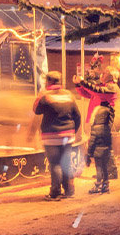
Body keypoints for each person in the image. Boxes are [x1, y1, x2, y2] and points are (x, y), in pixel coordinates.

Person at [33, 71, 82, 200]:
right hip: (67, 135)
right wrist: (72, 130)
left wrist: (41, 94)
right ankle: (69, 190)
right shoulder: (69, 95)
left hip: (51, 137)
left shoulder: (46, 96)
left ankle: (55, 192)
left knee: (55, 163)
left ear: (49, 81)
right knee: (66, 162)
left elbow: (36, 110)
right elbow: (77, 115)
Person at [74, 66, 120, 179]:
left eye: (104, 73)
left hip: (103, 120)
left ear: (111, 76)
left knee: (103, 146)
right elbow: (87, 93)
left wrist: (82, 82)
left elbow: (96, 91)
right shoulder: (103, 86)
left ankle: (111, 171)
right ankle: (105, 172)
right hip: (96, 120)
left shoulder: (111, 87)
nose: (101, 75)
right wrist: (78, 85)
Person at [86, 100, 114, 194]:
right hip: (106, 151)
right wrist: (110, 149)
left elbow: (92, 142)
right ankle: (105, 186)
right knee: (105, 168)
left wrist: (88, 154)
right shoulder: (107, 128)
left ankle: (97, 185)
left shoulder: (95, 128)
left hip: (97, 152)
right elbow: (110, 142)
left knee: (98, 168)